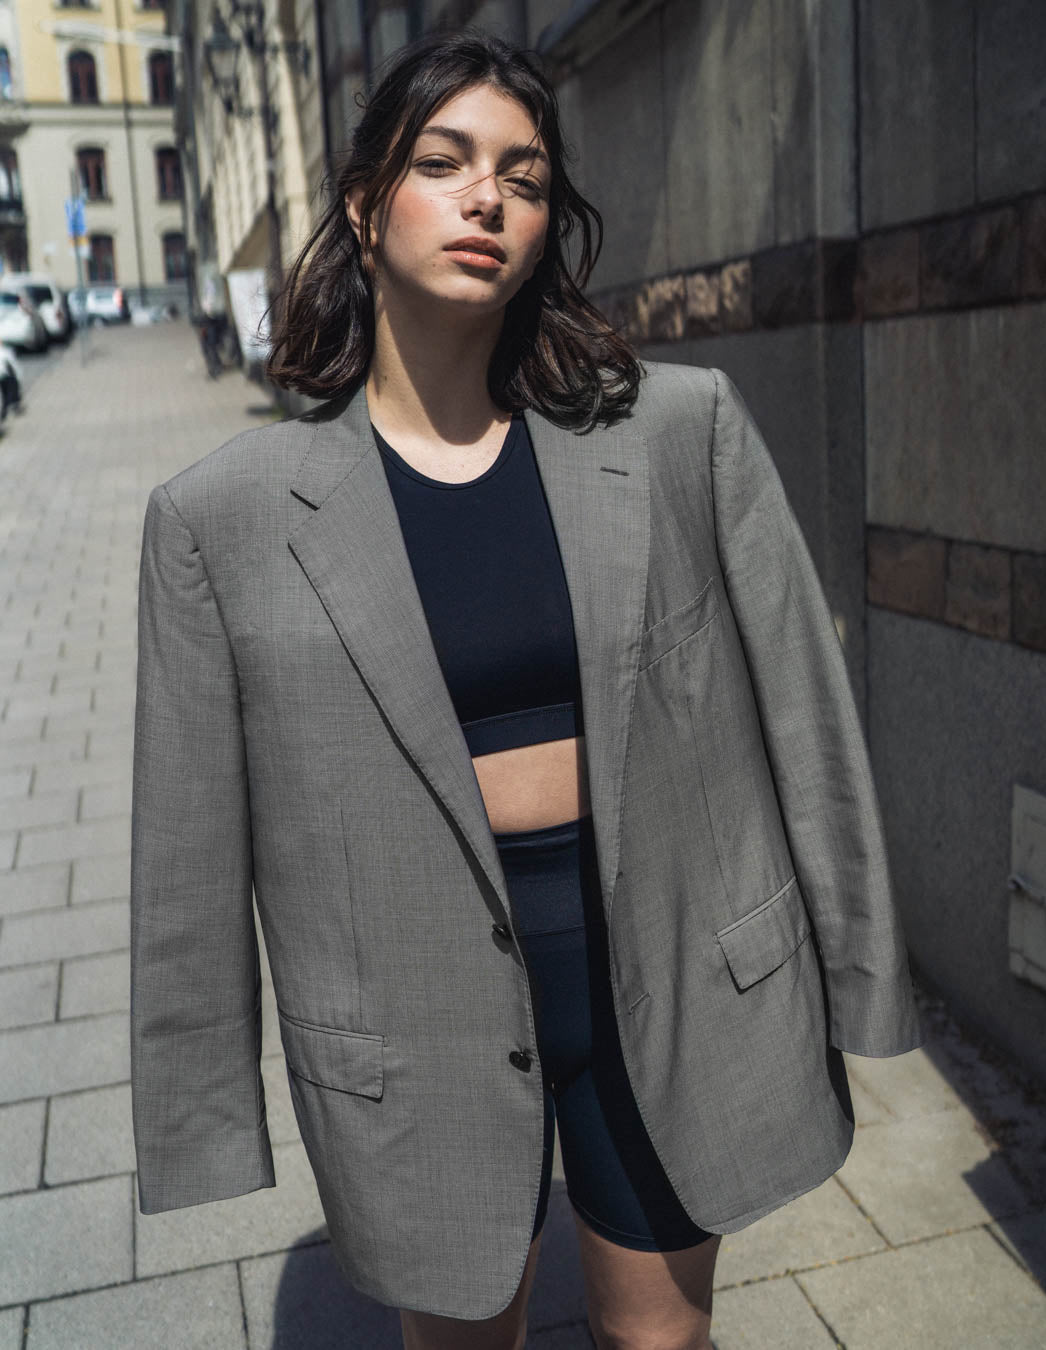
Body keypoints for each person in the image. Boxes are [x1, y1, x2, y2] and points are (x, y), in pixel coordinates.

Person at [130, 29, 922, 1350]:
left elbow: (805, 708)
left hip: (662, 969)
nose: (488, 197)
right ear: (366, 200)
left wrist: (859, 964)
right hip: (412, 1019)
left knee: (661, 1340)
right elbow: (189, 855)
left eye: (526, 174)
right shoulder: (222, 518)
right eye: (443, 161)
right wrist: (204, 1114)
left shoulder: (676, 432)